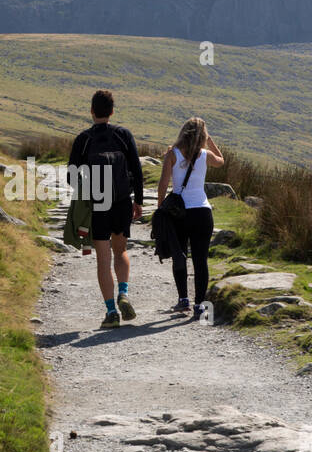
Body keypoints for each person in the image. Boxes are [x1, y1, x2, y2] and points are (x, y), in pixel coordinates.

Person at [67, 89, 143, 328]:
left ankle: (111, 313)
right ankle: (124, 293)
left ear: (91, 111)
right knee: (121, 251)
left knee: (103, 259)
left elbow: (71, 175)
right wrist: (138, 201)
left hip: (98, 205)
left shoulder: (84, 139)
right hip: (121, 202)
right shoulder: (123, 135)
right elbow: (137, 171)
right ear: (112, 111)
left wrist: (86, 191)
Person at [156, 117, 225, 321]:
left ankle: (183, 299)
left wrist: (160, 209)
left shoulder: (173, 154)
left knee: (180, 255)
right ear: (203, 136)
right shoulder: (206, 154)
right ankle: (200, 306)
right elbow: (221, 162)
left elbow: (162, 184)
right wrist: (211, 142)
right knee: (200, 260)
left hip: (179, 213)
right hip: (203, 212)